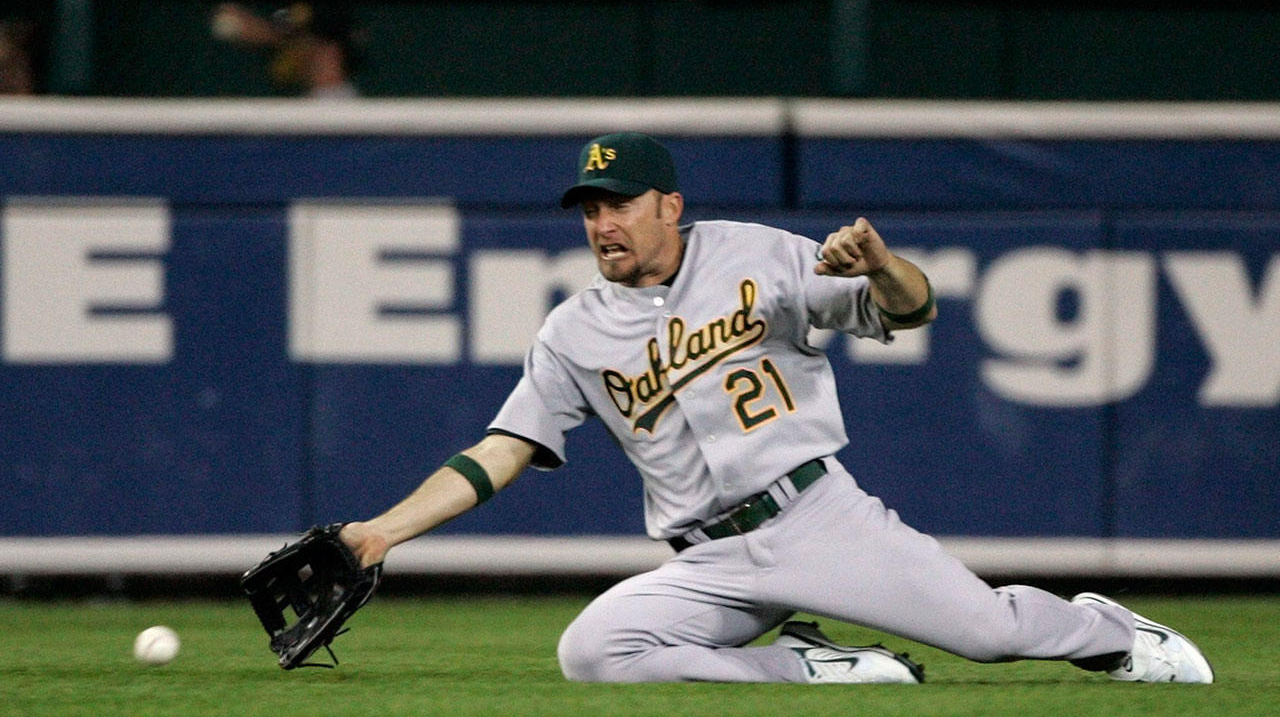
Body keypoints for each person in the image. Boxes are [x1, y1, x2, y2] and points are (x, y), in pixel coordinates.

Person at [338, 132, 1214, 684]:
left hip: (816, 518)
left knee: (988, 634)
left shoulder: (757, 255)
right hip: (708, 562)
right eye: (591, 208)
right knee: (594, 654)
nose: (603, 222)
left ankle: (1103, 629)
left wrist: (880, 265)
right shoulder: (572, 330)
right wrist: (382, 532)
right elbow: (504, 448)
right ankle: (809, 666)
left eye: (621, 204)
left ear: (670, 206)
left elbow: (912, 311)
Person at [211, 1, 359, 99]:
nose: (291, 48)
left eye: (299, 38)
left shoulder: (337, 109)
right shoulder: (316, 103)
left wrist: (269, 34)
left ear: (331, 50)